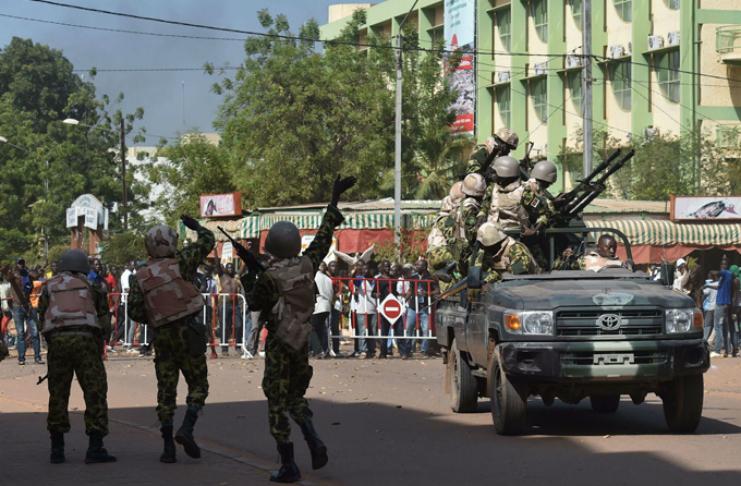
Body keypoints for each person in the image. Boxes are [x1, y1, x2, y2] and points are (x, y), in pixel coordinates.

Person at [238, 175, 355, 483]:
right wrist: (333, 198)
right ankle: (314, 439)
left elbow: (255, 304)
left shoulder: (269, 276)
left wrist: (249, 273)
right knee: (296, 398)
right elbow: (324, 236)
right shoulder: (307, 264)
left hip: (279, 343)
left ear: (272, 245)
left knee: (277, 402)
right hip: (301, 341)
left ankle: (288, 463)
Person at [127, 215, 214, 463]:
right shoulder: (183, 262)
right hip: (189, 331)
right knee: (198, 385)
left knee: (166, 391)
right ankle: (187, 428)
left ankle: (167, 447)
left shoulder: (140, 276)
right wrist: (196, 227)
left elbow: (134, 311)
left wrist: (156, 315)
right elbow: (207, 240)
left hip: (162, 335)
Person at [38, 249, 116, 464]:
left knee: (58, 394)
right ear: (83, 266)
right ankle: (95, 447)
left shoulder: (48, 287)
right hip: (86, 341)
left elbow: (42, 317)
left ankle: (57, 449)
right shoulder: (94, 286)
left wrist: (52, 340)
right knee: (95, 392)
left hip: (59, 343)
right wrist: (101, 345)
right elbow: (103, 319)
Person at [2, 259, 43, 365]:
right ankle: (21, 359)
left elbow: (37, 276)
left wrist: (26, 271)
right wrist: (7, 270)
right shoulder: (13, 276)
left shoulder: (28, 275)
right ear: (16, 265)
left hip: (29, 307)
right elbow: (8, 277)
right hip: (17, 307)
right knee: (20, 333)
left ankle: (37, 357)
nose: (21, 265)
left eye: (22, 263)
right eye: (19, 263)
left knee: (34, 332)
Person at [520, 160, 558, 269]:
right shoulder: (530, 189)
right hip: (526, 235)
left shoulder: (525, 186)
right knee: (542, 266)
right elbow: (543, 211)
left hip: (521, 233)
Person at [472, 222, 538, 284]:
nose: (483, 248)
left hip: (527, 287)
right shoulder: (487, 252)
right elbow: (482, 273)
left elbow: (518, 277)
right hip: (502, 289)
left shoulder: (515, 249)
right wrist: (485, 281)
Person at [401, 259, 436, 358]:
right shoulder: (413, 277)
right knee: (409, 328)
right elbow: (410, 291)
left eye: (417, 265)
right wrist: (402, 301)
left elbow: (437, 291)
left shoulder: (431, 277)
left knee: (425, 329)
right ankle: (407, 351)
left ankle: (424, 351)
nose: (415, 267)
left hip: (425, 307)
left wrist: (427, 293)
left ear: (424, 267)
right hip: (413, 306)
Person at [481, 155, 525, 232]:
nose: (492, 175)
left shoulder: (524, 191)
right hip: (492, 236)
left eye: (495, 173)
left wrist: (534, 230)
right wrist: (480, 217)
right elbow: (484, 207)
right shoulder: (492, 188)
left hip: (514, 236)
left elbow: (543, 213)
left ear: (504, 173)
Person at [216, 261, 244, 355]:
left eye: (231, 267)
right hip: (224, 303)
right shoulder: (222, 276)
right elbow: (217, 264)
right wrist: (215, 249)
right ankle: (224, 349)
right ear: (225, 269)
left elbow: (243, 266)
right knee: (225, 327)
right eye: (228, 267)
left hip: (235, 304)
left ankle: (238, 347)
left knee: (239, 325)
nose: (230, 269)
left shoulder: (235, 278)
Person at [713, 264, 737, 358]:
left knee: (720, 327)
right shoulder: (734, 281)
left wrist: (713, 273)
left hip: (724, 304)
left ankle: (719, 349)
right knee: (729, 328)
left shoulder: (726, 274)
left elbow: (716, 272)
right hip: (729, 305)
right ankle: (731, 350)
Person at [311, 262, 333, 358]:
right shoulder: (328, 279)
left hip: (317, 306)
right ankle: (324, 349)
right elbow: (331, 294)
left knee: (311, 328)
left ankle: (318, 350)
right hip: (326, 306)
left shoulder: (314, 277)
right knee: (320, 329)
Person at [327, 261, 342, 357]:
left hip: (335, 304)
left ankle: (336, 348)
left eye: (336, 266)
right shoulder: (325, 277)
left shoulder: (339, 278)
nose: (334, 268)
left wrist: (337, 294)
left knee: (335, 326)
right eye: (332, 266)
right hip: (326, 303)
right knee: (326, 327)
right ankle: (326, 348)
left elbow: (340, 290)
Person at [703, 271, 719, 347]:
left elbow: (704, 293)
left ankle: (705, 339)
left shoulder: (710, 285)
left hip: (710, 307)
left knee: (707, 324)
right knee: (715, 325)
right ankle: (714, 341)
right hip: (717, 307)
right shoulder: (719, 284)